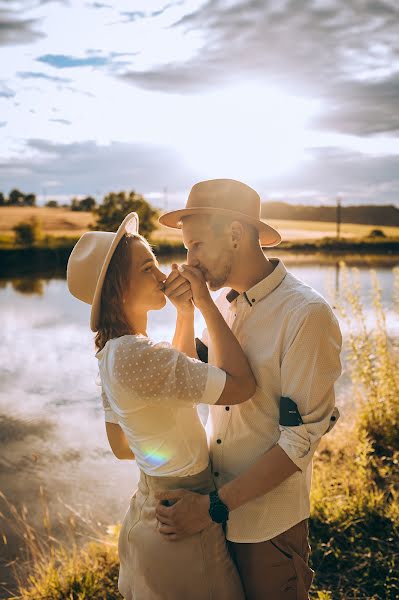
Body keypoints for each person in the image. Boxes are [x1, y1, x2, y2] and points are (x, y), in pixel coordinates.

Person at [155, 179, 343, 600]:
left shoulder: (306, 315)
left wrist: (213, 508)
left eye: (197, 246)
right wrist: (187, 312)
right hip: (210, 513)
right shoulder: (218, 301)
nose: (189, 262)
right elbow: (187, 379)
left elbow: (301, 439)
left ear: (236, 235)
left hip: (266, 527)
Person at [66, 211, 256, 600]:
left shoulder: (113, 355)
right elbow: (241, 385)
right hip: (183, 524)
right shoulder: (140, 357)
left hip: (150, 514)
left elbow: (123, 446)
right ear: (118, 290)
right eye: (146, 268)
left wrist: (183, 314)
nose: (160, 276)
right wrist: (204, 303)